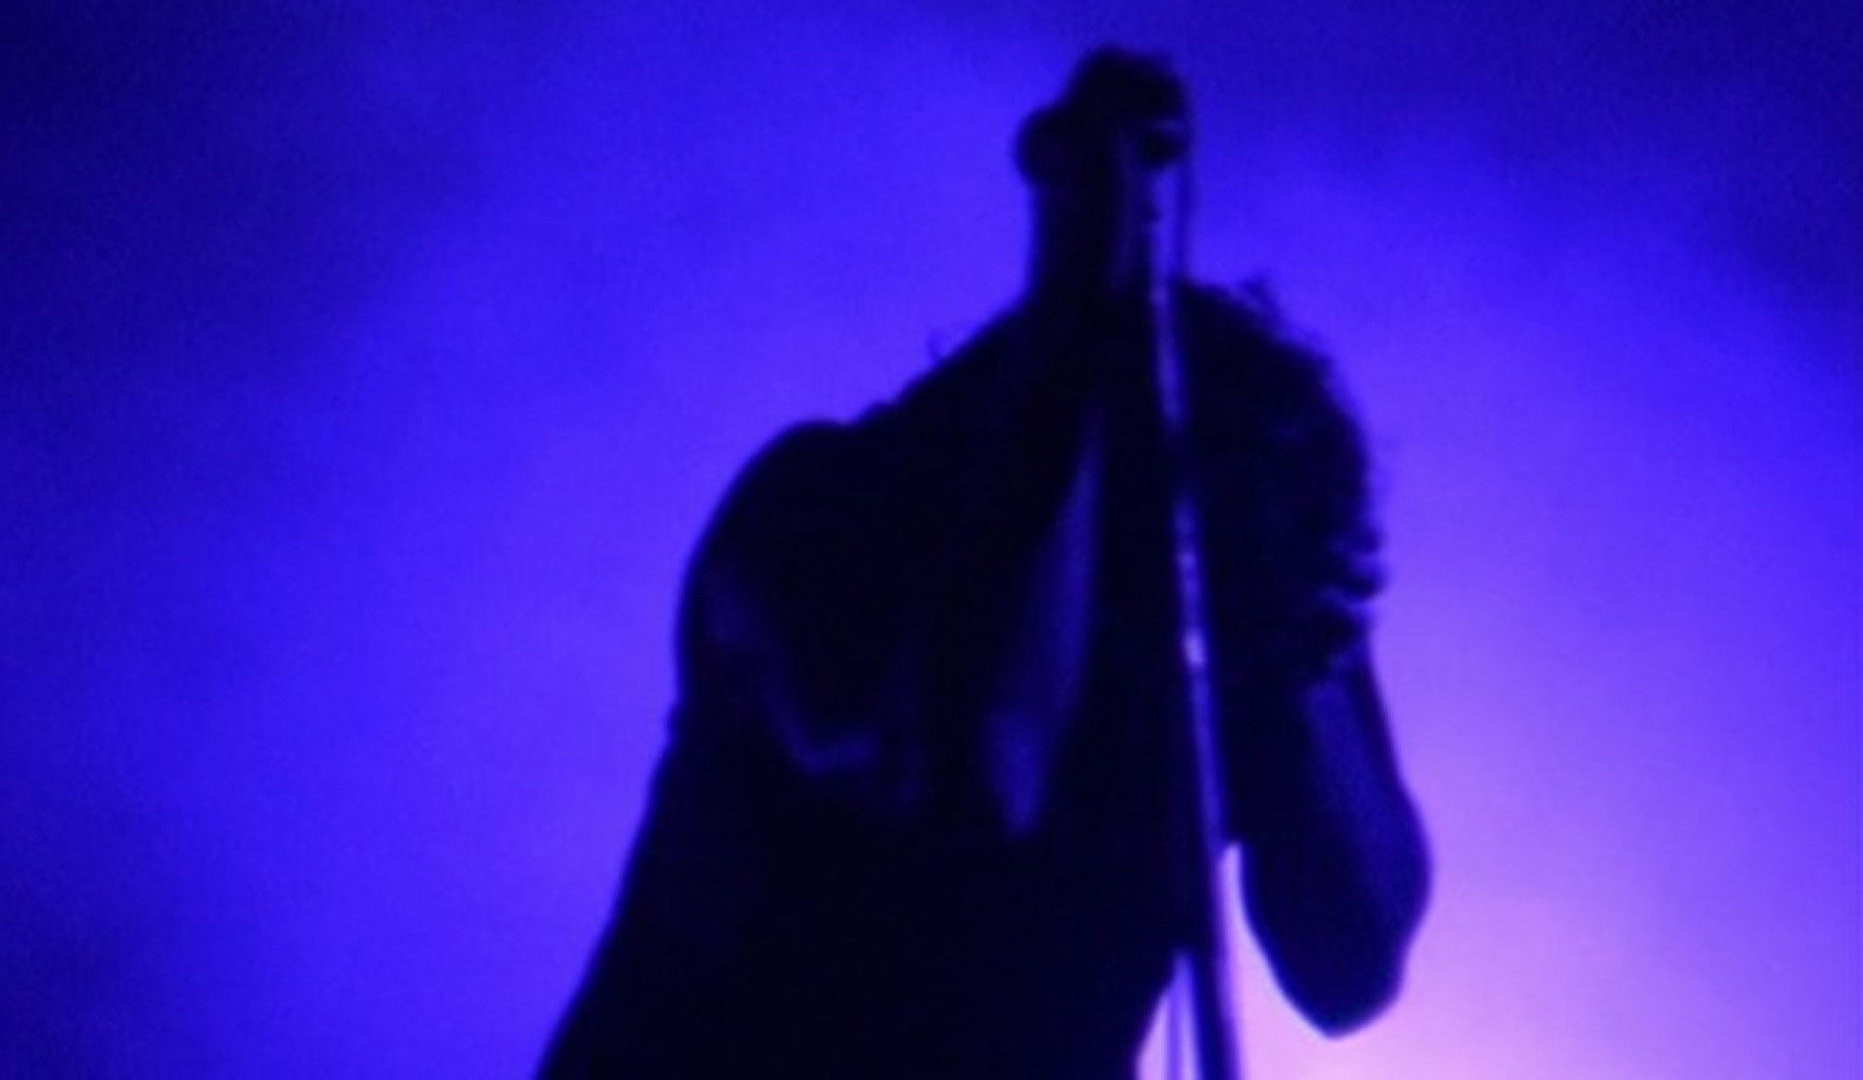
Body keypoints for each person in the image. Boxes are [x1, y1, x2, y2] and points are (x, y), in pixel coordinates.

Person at [543, 48, 1430, 1079]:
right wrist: (1080, 290)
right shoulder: (815, 513)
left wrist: (1306, 635)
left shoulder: (1221, 637)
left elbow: (1349, 966)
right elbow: (982, 768)